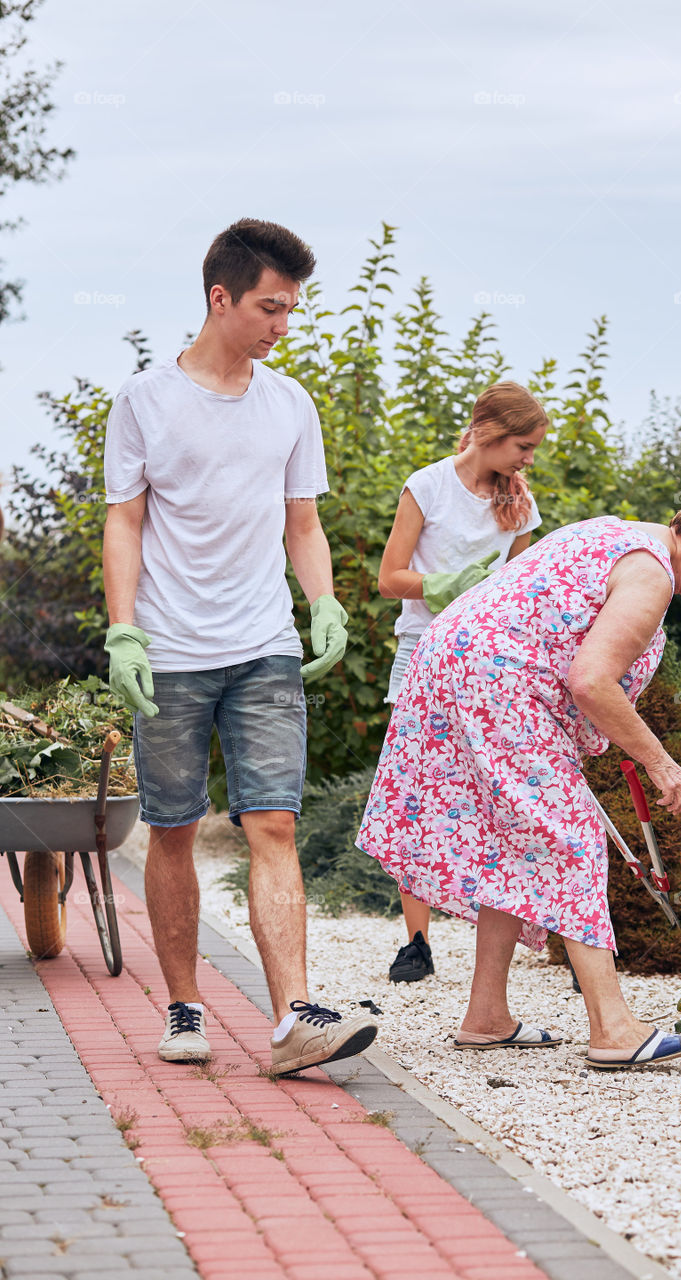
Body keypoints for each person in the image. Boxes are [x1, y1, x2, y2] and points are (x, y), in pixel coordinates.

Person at [358, 484, 681, 1068]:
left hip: (455, 665)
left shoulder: (618, 532)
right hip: (496, 683)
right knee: (571, 838)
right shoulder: (651, 573)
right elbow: (591, 681)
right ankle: (613, 1028)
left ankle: (486, 1016)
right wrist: (660, 762)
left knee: (515, 842)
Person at [103, 218, 377, 1075]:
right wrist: (124, 629)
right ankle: (184, 1007)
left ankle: (295, 1016)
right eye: (269, 307)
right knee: (173, 829)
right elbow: (124, 522)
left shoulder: (289, 403)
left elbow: (303, 523)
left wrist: (322, 603)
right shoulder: (144, 401)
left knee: (273, 823)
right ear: (220, 298)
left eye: (291, 309)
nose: (282, 325)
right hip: (170, 651)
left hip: (264, 645)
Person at [377, 382, 548, 982]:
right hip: (421, 650)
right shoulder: (427, 486)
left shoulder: (520, 503)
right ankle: (417, 942)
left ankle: (500, 938)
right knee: (416, 793)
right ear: (489, 434)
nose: (529, 459)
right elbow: (389, 578)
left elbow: (524, 590)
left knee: (493, 794)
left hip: (484, 661)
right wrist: (443, 585)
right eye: (523, 446)